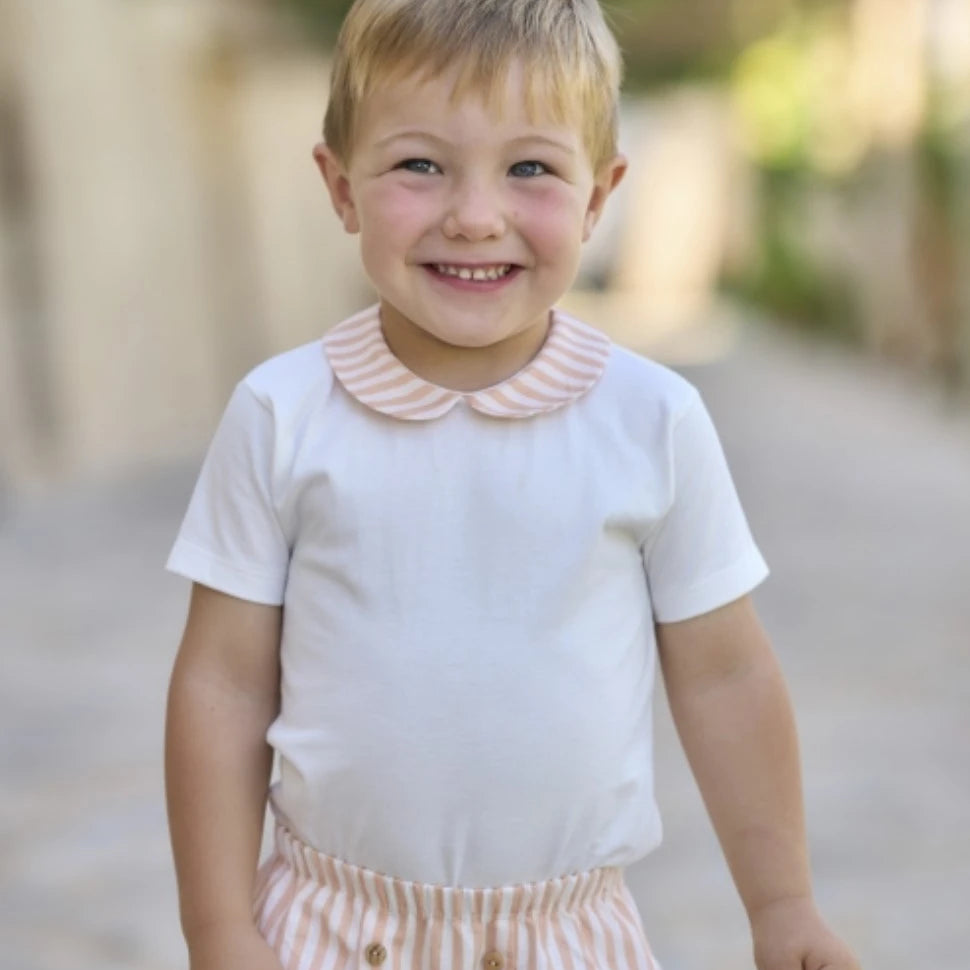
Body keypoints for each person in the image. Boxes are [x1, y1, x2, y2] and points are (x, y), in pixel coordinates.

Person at [164, 1, 861, 968]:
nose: (476, 215)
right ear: (340, 186)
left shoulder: (650, 421)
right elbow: (223, 683)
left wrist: (783, 903)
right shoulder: (283, 416)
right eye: (420, 164)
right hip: (328, 931)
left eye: (530, 167)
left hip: (567, 940)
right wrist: (219, 931)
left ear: (597, 196)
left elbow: (726, 674)